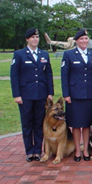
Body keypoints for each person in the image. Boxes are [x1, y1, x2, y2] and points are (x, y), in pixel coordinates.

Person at [10, 28, 54, 162]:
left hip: (41, 94)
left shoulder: (44, 54)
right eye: (32, 37)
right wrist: (17, 95)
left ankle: (37, 150)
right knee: (27, 124)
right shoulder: (19, 54)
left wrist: (50, 93)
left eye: (37, 37)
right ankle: (29, 151)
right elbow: (14, 76)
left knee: (39, 123)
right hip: (26, 95)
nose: (35, 39)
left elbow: (48, 74)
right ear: (27, 39)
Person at [61, 29, 92, 161]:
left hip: (89, 94)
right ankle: (77, 150)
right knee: (76, 124)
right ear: (76, 41)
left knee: (86, 124)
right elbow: (64, 76)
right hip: (74, 95)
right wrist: (66, 94)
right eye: (81, 39)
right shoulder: (69, 54)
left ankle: (85, 151)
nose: (84, 41)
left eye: (86, 38)